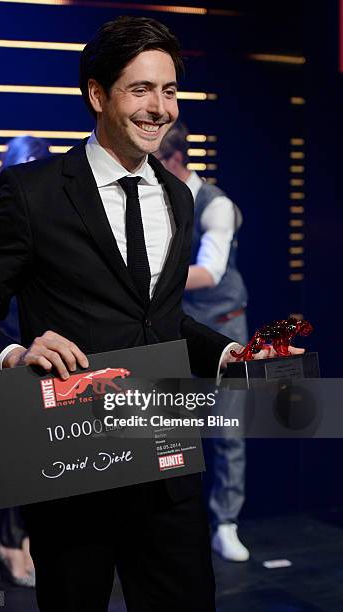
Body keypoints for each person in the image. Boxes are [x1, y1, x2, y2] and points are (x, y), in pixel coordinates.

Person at [0, 16, 303, 611]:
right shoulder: (31, 193)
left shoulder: (180, 197)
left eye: (168, 90)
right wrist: (15, 352)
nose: (160, 108)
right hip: (72, 457)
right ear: (96, 94)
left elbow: (160, 320)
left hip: (166, 459)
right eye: (141, 90)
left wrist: (228, 353)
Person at [158, 123, 250, 562]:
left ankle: (226, 523)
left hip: (225, 327)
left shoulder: (216, 206)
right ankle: (173, 523)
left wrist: (147, 282)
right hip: (176, 327)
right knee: (172, 430)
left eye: (156, 160)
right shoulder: (153, 200)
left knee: (228, 428)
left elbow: (210, 272)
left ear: (175, 159)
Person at [0, 136, 51, 587]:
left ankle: (24, 539)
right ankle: (12, 540)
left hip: (43, 338)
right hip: (6, 342)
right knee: (14, 448)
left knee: (45, 445)